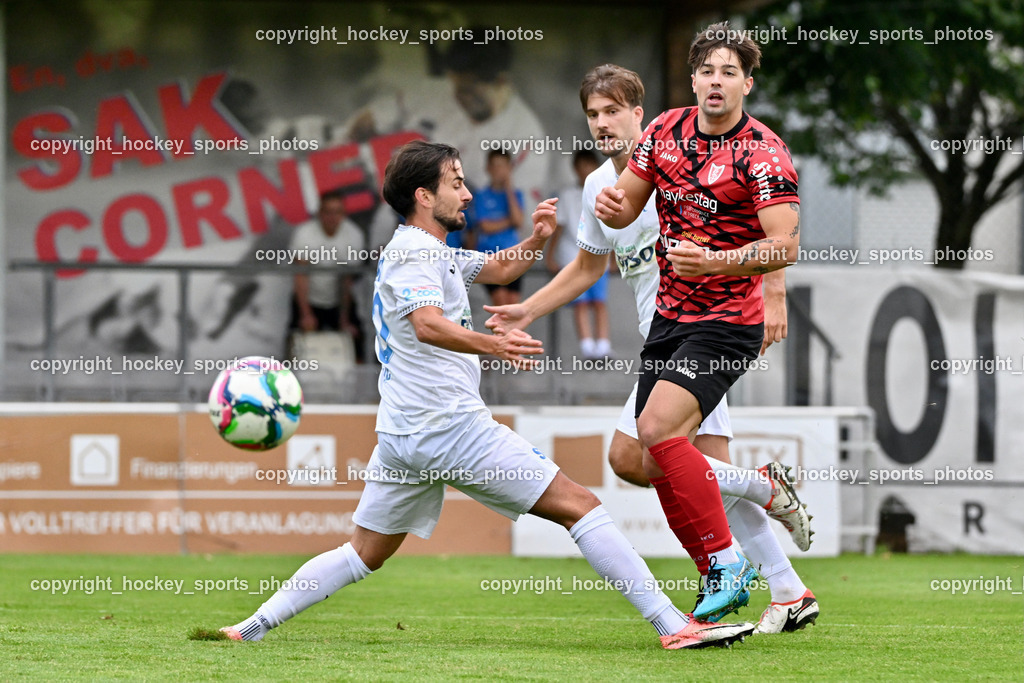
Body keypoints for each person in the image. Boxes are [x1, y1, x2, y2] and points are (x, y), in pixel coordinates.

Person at [219, 141, 755, 649]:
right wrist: (490, 344)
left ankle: (252, 626)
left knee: (363, 553)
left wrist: (539, 237)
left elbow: (500, 267)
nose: (468, 192)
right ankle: (672, 625)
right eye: (456, 183)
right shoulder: (413, 255)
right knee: (581, 506)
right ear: (424, 196)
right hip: (448, 426)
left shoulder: (437, 252)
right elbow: (428, 325)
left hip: (403, 435)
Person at [486, 63, 818, 633]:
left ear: (639, 114)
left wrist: (776, 295)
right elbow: (588, 266)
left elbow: (765, 231)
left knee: (642, 456)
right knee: (693, 467)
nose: (602, 123)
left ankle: (743, 540)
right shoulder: (598, 188)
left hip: (708, 328)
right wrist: (527, 308)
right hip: (664, 338)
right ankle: (786, 584)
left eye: (613, 111)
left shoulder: (684, 160)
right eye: (593, 114)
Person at [593, 25, 805, 624]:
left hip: (728, 318)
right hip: (670, 317)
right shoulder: (663, 130)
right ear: (693, 80)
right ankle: (751, 530)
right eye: (707, 71)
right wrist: (615, 207)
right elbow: (630, 202)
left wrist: (719, 262)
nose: (717, 81)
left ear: (746, 83)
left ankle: (728, 564)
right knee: (636, 457)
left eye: (729, 72)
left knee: (661, 431)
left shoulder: (762, 152)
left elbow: (784, 245)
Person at [290, 189, 367, 362]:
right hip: (308, 297)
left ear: (343, 214)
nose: (332, 217)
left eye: (337, 212)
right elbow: (300, 276)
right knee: (294, 341)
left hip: (338, 299)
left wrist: (344, 317)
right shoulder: (304, 234)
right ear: (319, 213)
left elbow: (346, 280)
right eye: (328, 212)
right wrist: (306, 314)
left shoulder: (353, 236)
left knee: (355, 339)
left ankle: (358, 384)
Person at [551, 150, 614, 360]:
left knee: (599, 302)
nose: (586, 170)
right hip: (572, 258)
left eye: (590, 165)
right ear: (575, 169)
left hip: (600, 257)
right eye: (581, 166)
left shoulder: (605, 192)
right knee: (580, 302)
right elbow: (558, 228)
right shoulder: (567, 195)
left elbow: (613, 228)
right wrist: (550, 255)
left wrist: (614, 257)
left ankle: (603, 346)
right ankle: (587, 347)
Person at [469, 150, 526, 306]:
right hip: (490, 257)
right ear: (487, 168)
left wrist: (508, 188)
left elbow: (519, 221)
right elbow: (486, 226)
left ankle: (511, 332)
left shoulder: (516, 194)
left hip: (513, 257)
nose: (498, 170)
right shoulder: (481, 195)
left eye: (502, 166)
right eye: (494, 166)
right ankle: (503, 332)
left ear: (509, 168)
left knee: (513, 303)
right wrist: (510, 221)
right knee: (500, 301)